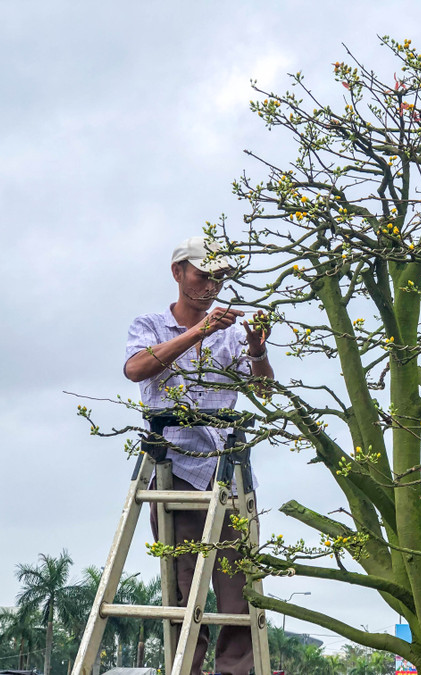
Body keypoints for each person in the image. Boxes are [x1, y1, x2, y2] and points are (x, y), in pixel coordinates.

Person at [124, 236, 273, 675]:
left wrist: (258, 350)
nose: (211, 285)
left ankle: (233, 671)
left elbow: (263, 390)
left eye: (219, 277)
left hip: (227, 473)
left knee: (239, 591)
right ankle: (187, 670)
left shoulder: (231, 334)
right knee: (183, 592)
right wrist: (199, 332)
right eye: (203, 275)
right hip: (174, 471)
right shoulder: (149, 324)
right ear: (178, 273)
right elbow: (135, 368)